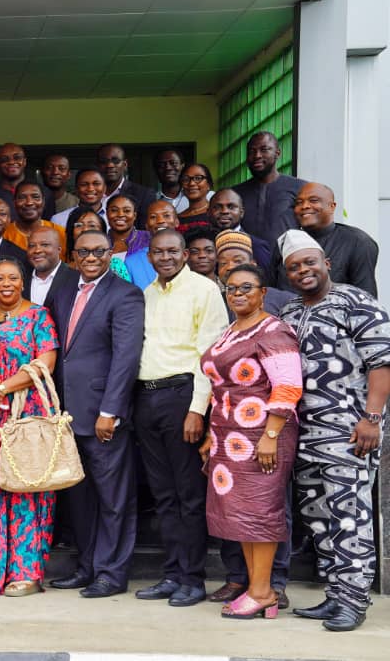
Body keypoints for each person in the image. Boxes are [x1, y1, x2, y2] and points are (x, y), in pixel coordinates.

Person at [279, 230, 390, 632]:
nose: (303, 271)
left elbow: (382, 362)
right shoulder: (289, 312)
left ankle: (354, 602)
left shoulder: (356, 302)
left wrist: (372, 418)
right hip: (306, 434)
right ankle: (335, 595)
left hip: (350, 432)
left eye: (309, 263)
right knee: (319, 517)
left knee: (350, 516)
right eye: (294, 267)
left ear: (326, 263)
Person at [198, 264, 302, 620]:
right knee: (241, 514)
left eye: (246, 287)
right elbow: (220, 387)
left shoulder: (274, 330)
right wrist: (211, 435)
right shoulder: (231, 331)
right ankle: (258, 589)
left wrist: (270, 436)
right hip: (228, 437)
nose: (238, 294)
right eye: (231, 288)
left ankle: (262, 591)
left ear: (263, 293)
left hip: (263, 435)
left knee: (261, 512)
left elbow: (288, 386)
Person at [47, 229, 145, 598]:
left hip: (103, 414)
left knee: (113, 498)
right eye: (84, 252)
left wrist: (111, 410)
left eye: (99, 251)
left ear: (109, 255)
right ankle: (86, 567)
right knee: (80, 498)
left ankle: (111, 573)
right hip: (66, 413)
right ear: (72, 256)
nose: (91, 258)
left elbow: (126, 356)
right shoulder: (62, 291)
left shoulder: (125, 294)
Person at [133, 228, 229, 607]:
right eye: (158, 252)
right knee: (163, 494)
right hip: (146, 397)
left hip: (182, 396)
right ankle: (172, 574)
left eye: (173, 251)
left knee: (189, 494)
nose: (166, 257)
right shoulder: (147, 293)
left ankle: (193, 579)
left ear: (185, 254)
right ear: (150, 256)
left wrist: (196, 409)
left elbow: (209, 355)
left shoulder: (204, 291)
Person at [0, 257, 60, 597]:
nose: (6, 284)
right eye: (0, 278)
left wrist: (1, 389)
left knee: (25, 489)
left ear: (23, 282)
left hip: (24, 414)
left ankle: (26, 572)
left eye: (13, 278)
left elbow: (45, 363)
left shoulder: (39, 316)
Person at [270, 182, 379, 297]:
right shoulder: (287, 242)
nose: (305, 206)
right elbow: (270, 291)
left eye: (313, 200)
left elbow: (365, 297)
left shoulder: (358, 242)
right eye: (299, 203)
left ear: (332, 206)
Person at [230, 131, 306, 244]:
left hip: (287, 254)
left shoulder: (300, 188)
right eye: (251, 151)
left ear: (277, 153)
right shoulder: (235, 193)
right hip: (245, 254)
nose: (257, 155)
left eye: (264, 150)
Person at [215, 231, 293, 317]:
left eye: (237, 261)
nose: (230, 267)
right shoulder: (214, 302)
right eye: (223, 263)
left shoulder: (282, 299)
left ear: (253, 264)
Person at [208, 188, 273, 269]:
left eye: (231, 207)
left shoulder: (256, 246)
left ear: (241, 213)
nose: (225, 211)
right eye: (218, 207)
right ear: (208, 212)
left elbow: (265, 276)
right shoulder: (202, 245)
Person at [63, 209, 132, 283]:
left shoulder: (114, 265)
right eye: (79, 225)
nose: (85, 229)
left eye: (92, 225)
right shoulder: (63, 270)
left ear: (102, 232)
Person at [96, 143, 155, 227]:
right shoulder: (89, 195)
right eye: (104, 161)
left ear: (125, 164)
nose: (110, 165)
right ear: (97, 165)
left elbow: (145, 229)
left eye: (115, 161)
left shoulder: (144, 195)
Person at [125, 200, 179, 289]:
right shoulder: (131, 262)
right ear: (146, 225)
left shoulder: (190, 257)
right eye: (153, 217)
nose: (160, 220)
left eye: (166, 215)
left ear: (176, 222)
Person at [4, 182, 66, 258]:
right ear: (14, 202)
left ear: (43, 201)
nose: (29, 202)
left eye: (35, 197)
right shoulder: (4, 233)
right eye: (22, 197)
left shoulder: (60, 233)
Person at [25, 226, 77, 306]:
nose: (37, 250)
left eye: (45, 245)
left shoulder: (75, 279)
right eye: (32, 246)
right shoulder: (20, 277)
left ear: (59, 249)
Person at [106, 195, 149, 260]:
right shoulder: (99, 241)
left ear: (134, 215)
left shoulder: (148, 238)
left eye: (127, 211)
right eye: (114, 210)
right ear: (107, 214)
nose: (120, 215)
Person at [176, 163, 216, 233]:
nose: (191, 183)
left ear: (209, 185)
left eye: (198, 178)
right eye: (186, 179)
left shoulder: (216, 213)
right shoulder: (177, 219)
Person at [41, 152, 78, 217]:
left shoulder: (77, 204)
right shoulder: (31, 202)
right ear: (42, 172)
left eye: (61, 168)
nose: (55, 172)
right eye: (50, 168)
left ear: (69, 175)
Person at [154, 148, 188, 213]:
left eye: (173, 163)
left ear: (182, 166)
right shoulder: (150, 199)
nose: (168, 168)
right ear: (156, 169)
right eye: (162, 164)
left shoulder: (194, 196)